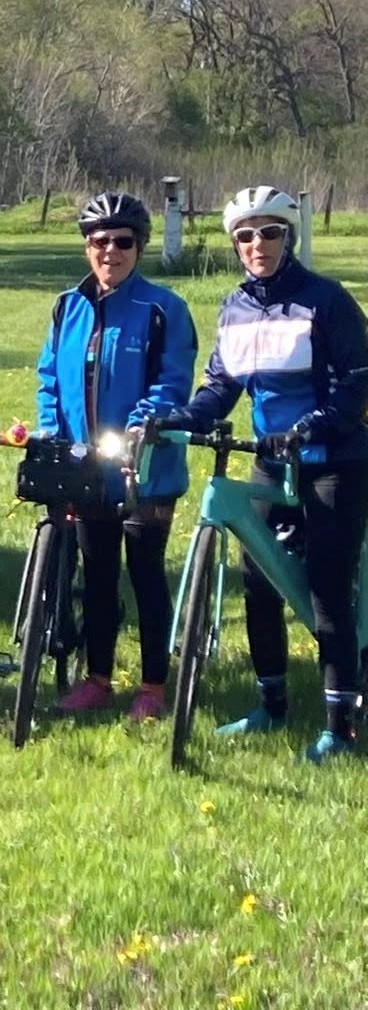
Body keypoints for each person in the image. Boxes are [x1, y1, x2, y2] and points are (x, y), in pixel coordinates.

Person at [155, 185, 368, 763]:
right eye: (245, 235)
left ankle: (339, 725)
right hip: (270, 460)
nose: (257, 244)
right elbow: (222, 385)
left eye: (269, 232)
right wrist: (186, 417)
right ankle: (271, 705)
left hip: (333, 461)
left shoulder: (325, 301)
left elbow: (356, 380)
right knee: (259, 584)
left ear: (288, 237)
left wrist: (313, 427)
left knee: (327, 587)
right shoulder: (235, 307)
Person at [34, 192, 196, 721]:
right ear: (86, 247)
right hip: (87, 468)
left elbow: (173, 381)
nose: (110, 251)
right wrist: (53, 433)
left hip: (147, 469)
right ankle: (97, 678)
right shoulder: (67, 306)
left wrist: (139, 425)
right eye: (99, 241)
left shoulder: (163, 309)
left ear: (139, 246)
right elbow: (49, 380)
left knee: (146, 574)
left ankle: (153, 685)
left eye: (122, 241)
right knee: (97, 576)